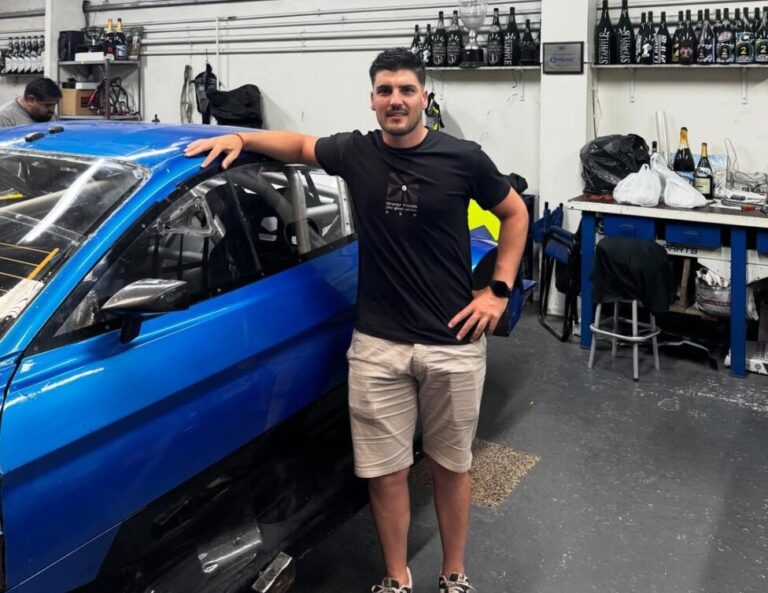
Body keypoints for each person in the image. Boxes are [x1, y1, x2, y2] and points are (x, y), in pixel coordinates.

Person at [185, 47, 528, 593]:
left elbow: (514, 212)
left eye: (406, 90)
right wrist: (243, 138)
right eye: (385, 90)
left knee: (450, 467)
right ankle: (396, 578)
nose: (396, 100)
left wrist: (498, 291)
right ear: (372, 99)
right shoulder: (356, 152)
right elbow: (300, 145)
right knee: (386, 473)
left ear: (424, 97)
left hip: (452, 343)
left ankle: (454, 574)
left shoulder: (463, 158)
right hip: (377, 347)